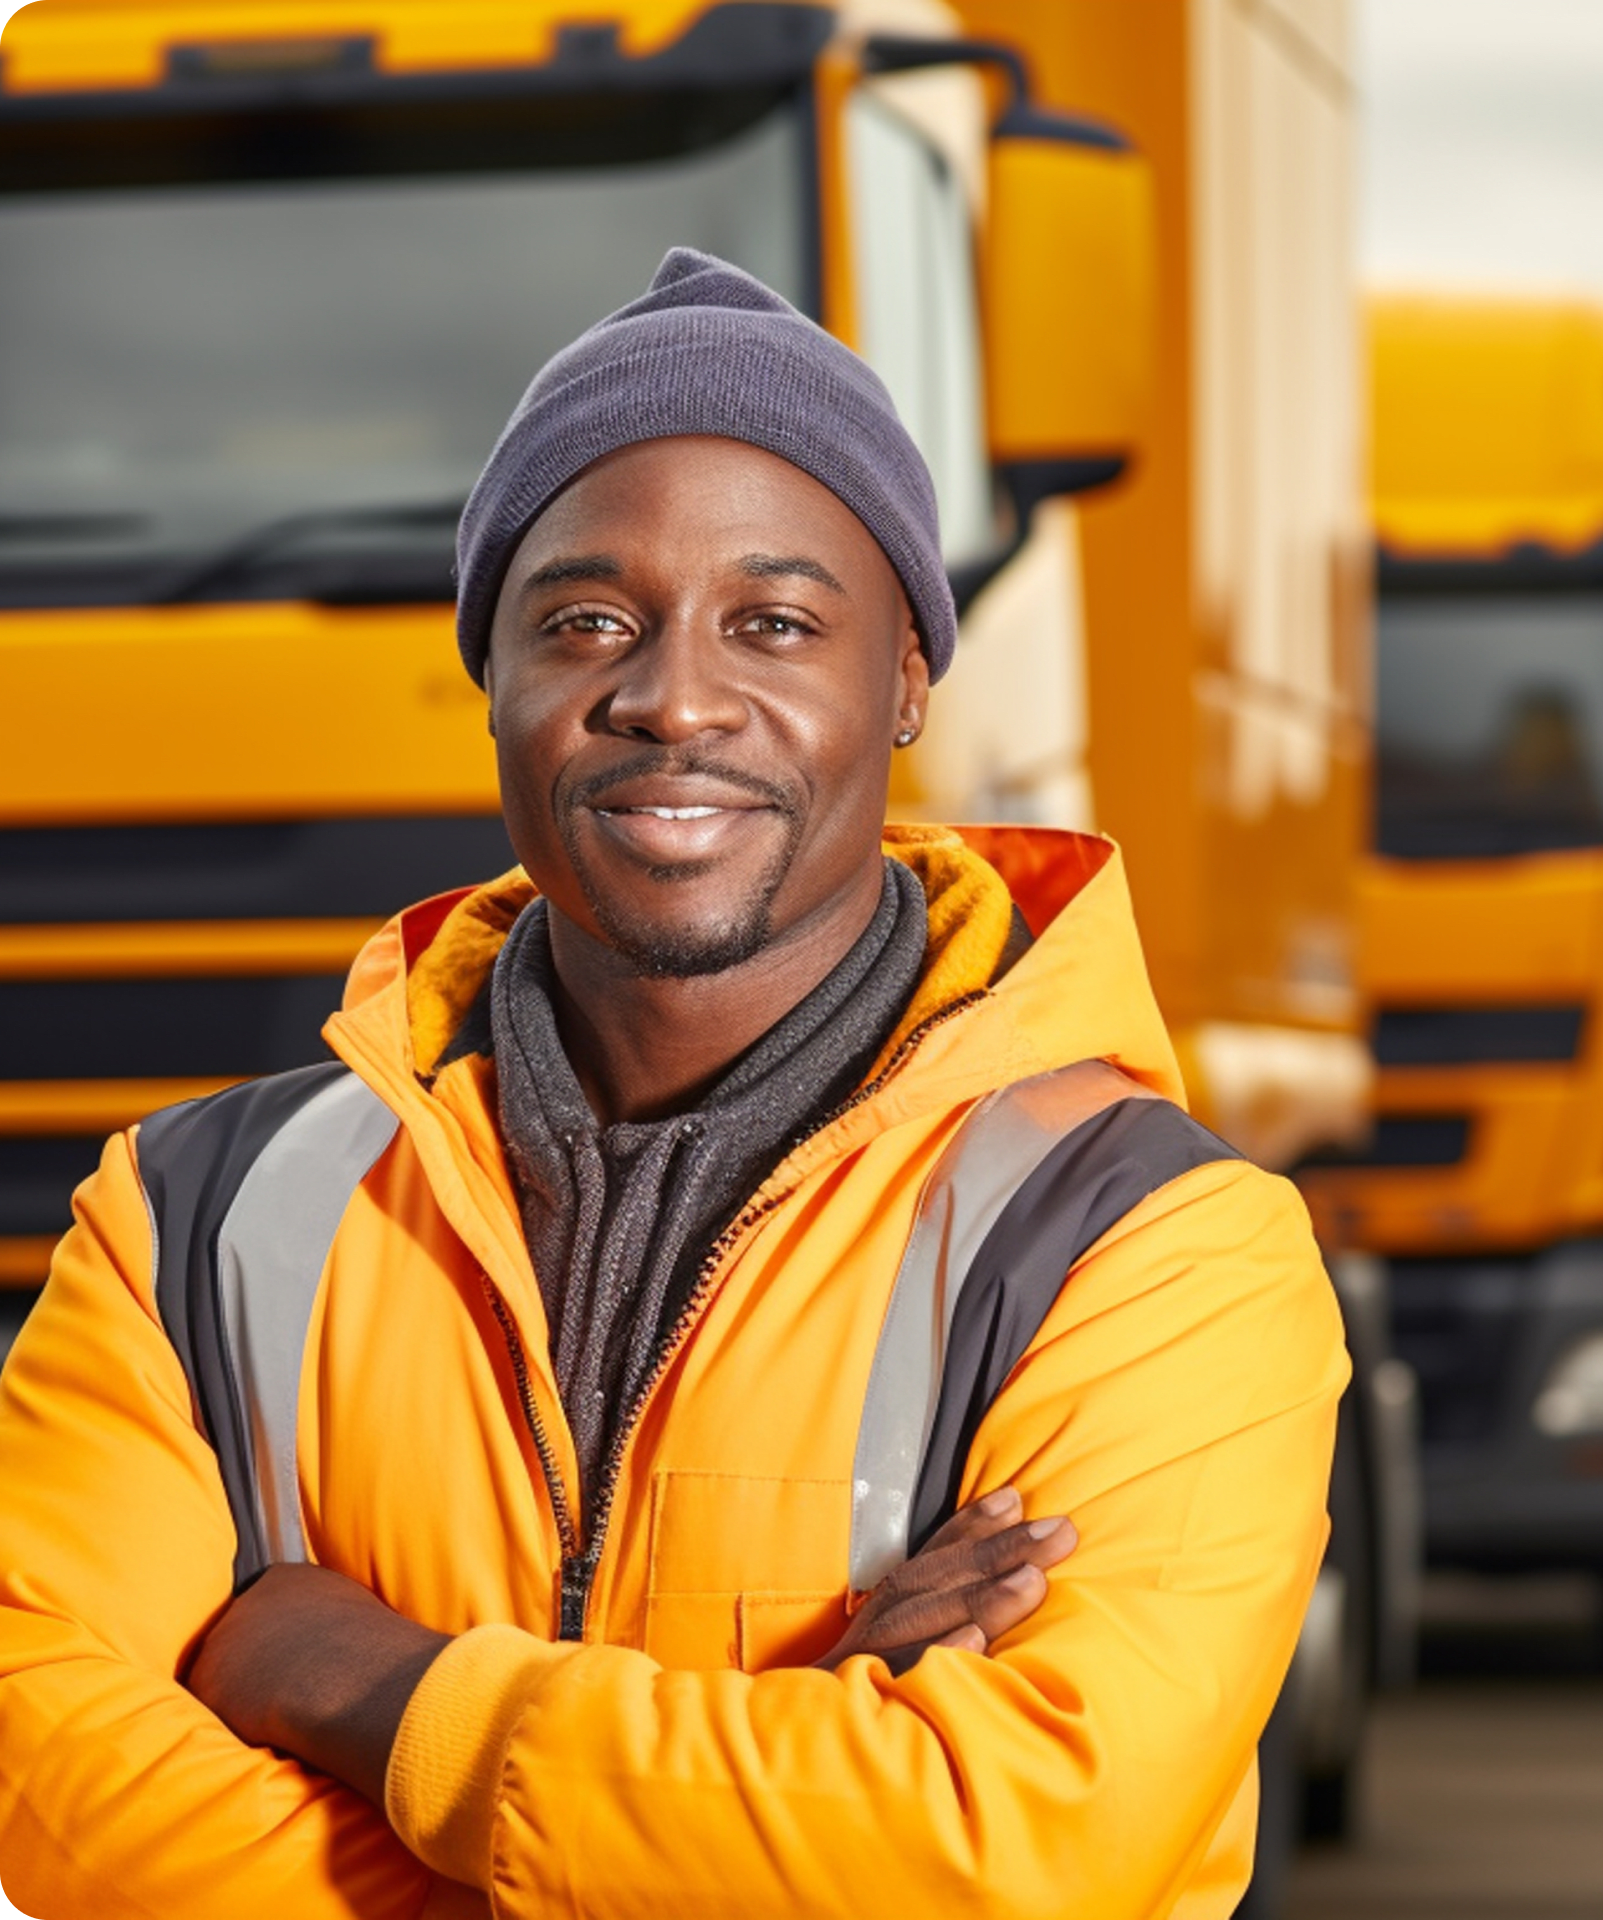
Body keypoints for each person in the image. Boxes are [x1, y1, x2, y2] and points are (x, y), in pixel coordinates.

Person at [0, 249, 1345, 1917]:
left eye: (774, 623)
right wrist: (769, 1789)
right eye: (586, 621)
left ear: (911, 682)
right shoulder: (186, 1224)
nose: (674, 698)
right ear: (493, 676)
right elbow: (35, 1807)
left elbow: (1015, 1854)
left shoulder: (1153, 1249)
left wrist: (368, 1691)